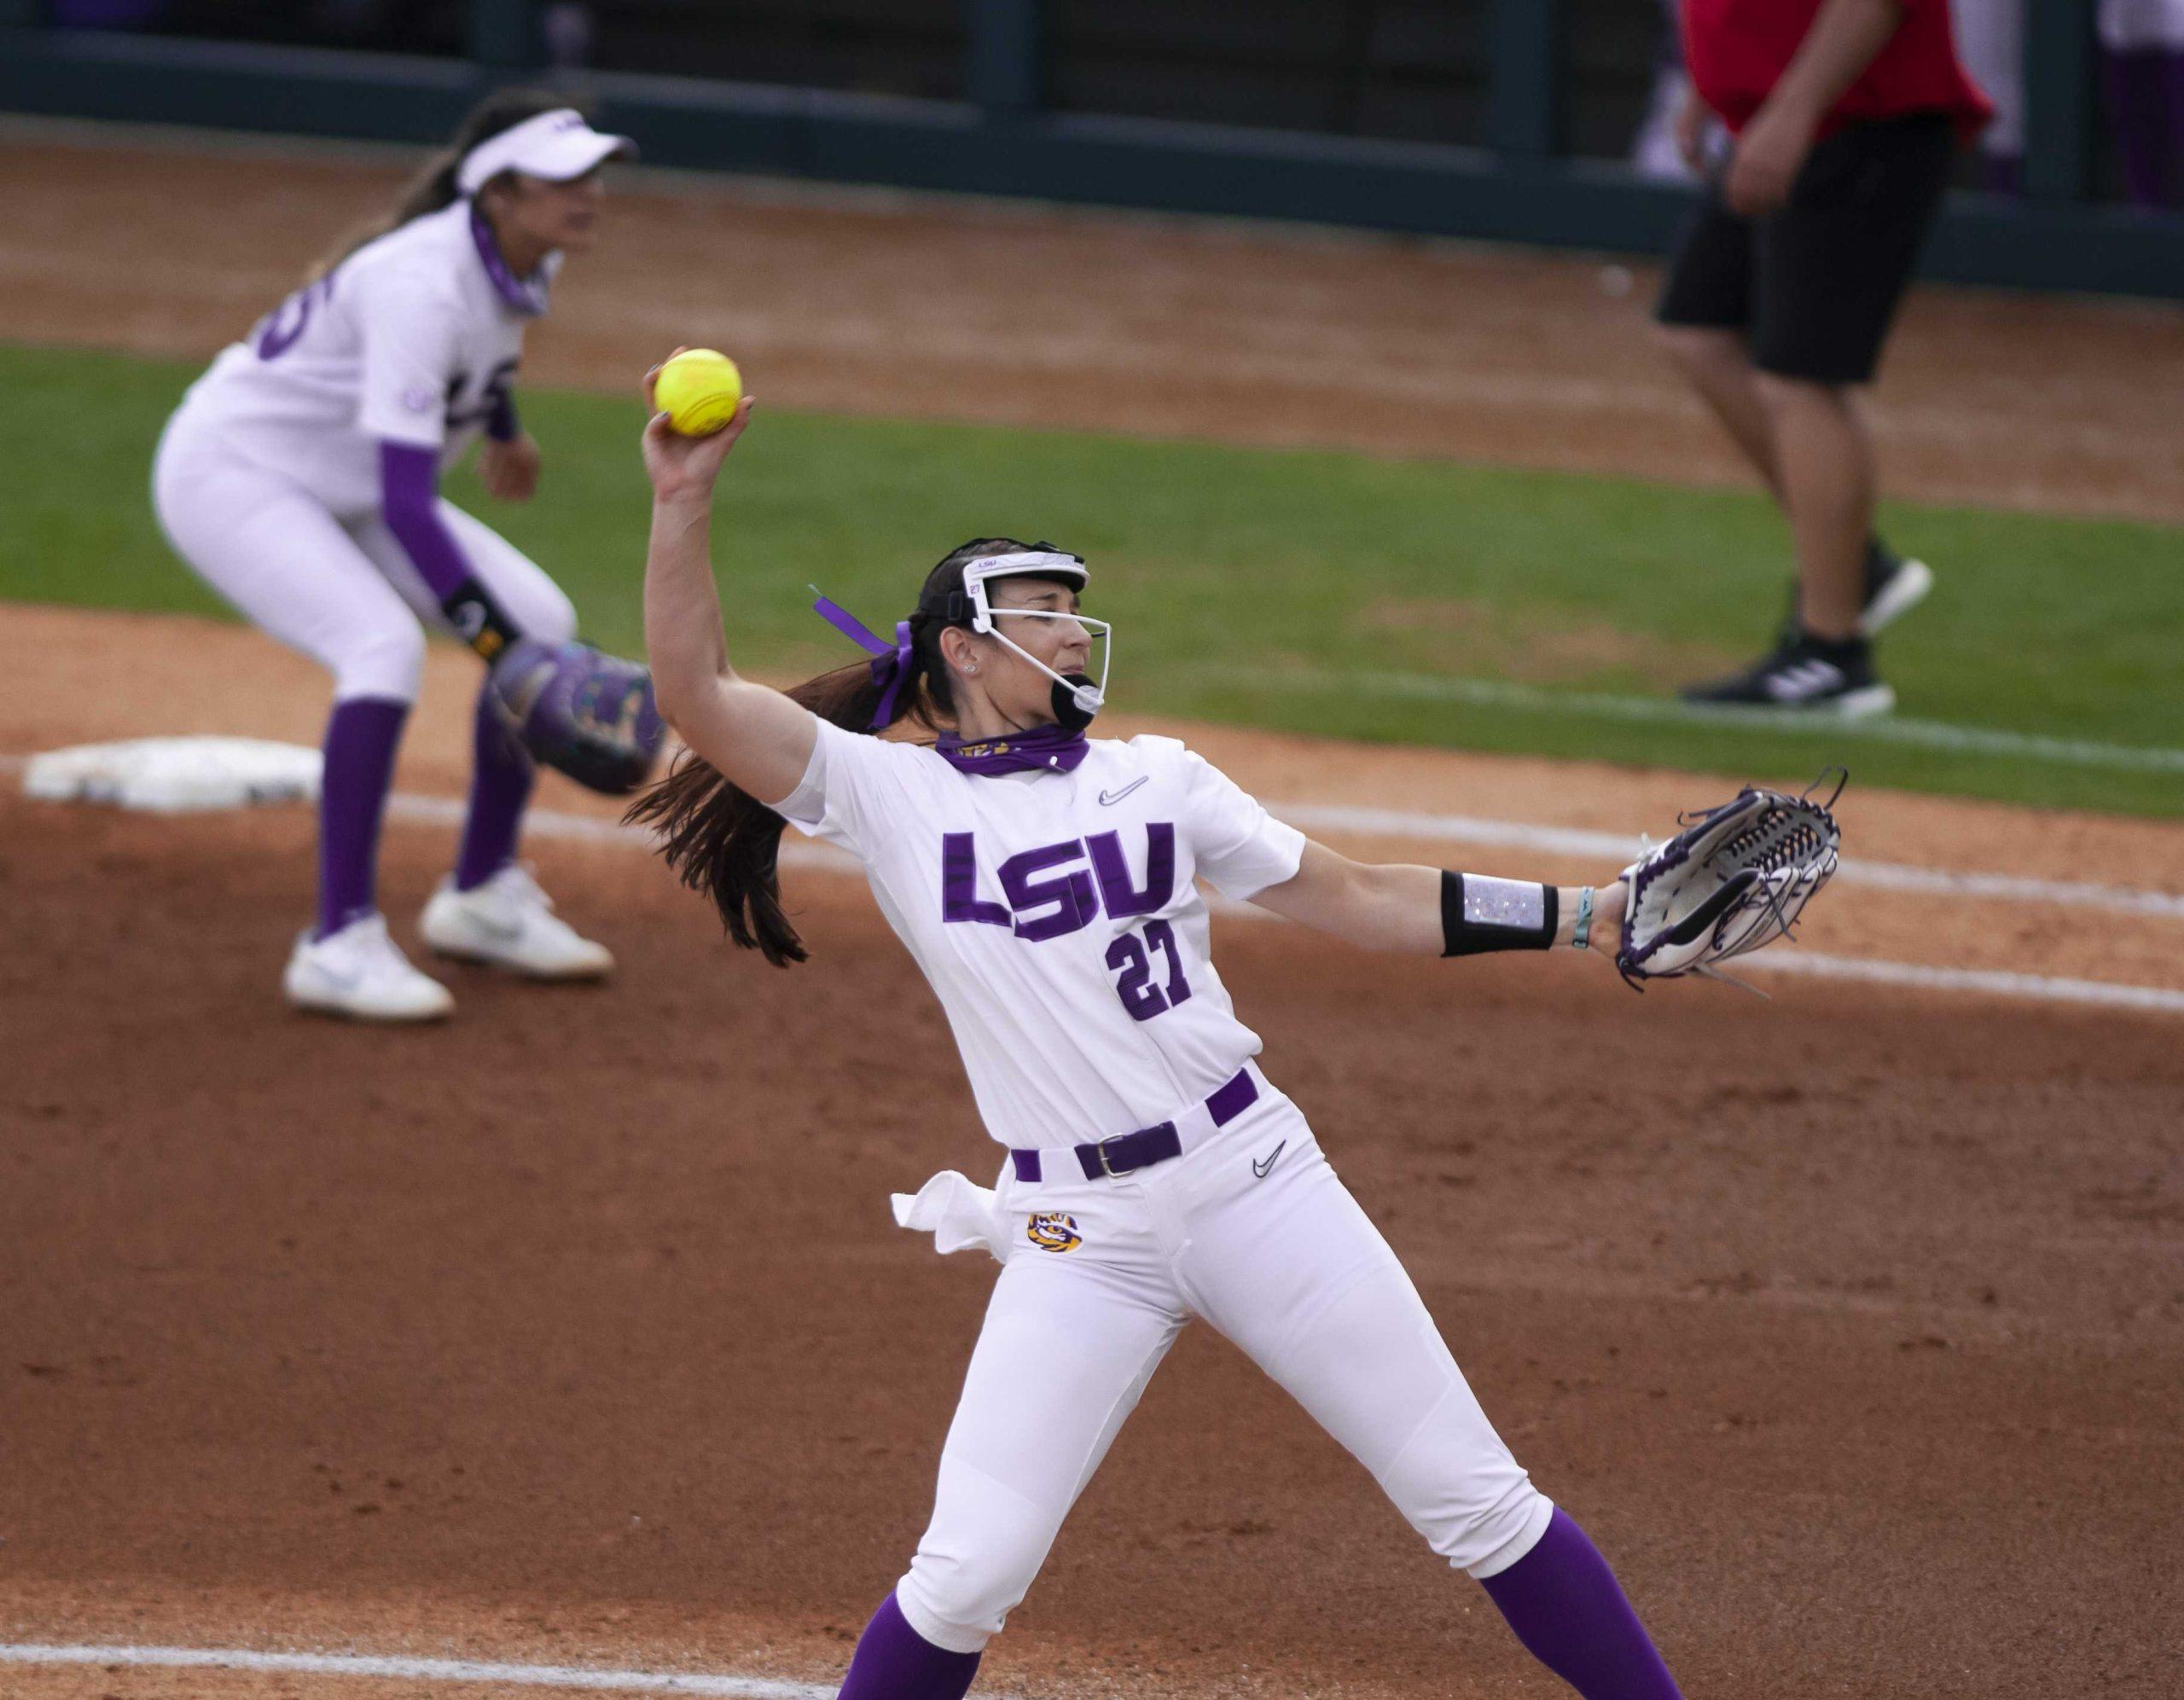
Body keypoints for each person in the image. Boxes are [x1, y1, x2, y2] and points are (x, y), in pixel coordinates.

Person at [628, 367, 1691, 1700]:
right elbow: (693, 692)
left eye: (1077, 615)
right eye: (1045, 615)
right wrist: (685, 498)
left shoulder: (1160, 777)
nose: (1076, 637)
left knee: (1474, 1501)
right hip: (1080, 1236)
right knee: (965, 1573)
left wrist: (1585, 915)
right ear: (962, 644)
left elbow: (1357, 898)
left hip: (1256, 1184)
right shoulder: (885, 796)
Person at [153, 92, 636, 1019]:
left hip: (347, 479)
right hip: (234, 472)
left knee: (544, 619)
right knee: (384, 649)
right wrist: (500, 652)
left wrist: (504, 427)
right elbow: (411, 500)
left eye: (594, 173)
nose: (591, 194)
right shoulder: (420, 281)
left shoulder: (522, 254)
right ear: (498, 191)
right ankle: (336, 941)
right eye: (565, 178)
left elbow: (476, 354)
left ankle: (482, 894)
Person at [1653, 0, 1991, 716]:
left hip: (1854, 119)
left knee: (1800, 379)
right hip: (1773, 116)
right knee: (1699, 328)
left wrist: (1792, 111)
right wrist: (1704, 89)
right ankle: (1851, 564)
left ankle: (1833, 653)